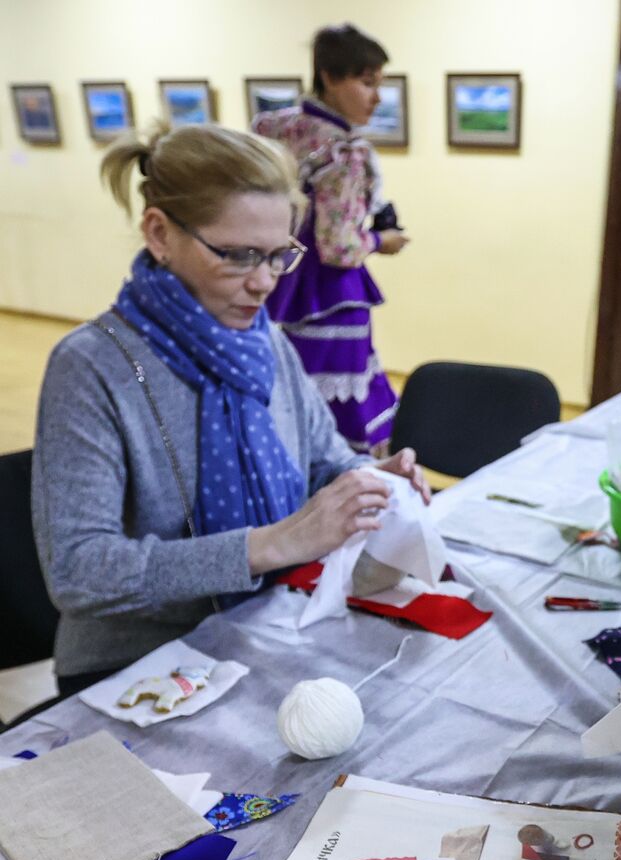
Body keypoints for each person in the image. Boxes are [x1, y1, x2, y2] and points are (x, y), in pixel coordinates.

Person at [31, 122, 429, 698]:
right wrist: (269, 545)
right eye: (239, 255)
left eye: (279, 255)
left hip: (258, 627)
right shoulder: (94, 367)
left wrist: (365, 481)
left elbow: (322, 460)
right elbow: (80, 572)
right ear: (160, 233)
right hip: (133, 672)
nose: (265, 282)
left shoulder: (265, 341)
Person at [253, 23, 408, 455]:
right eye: (366, 82)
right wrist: (382, 241)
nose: (376, 97)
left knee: (286, 400)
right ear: (328, 77)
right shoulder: (344, 152)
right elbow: (339, 247)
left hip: (276, 283)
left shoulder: (271, 129)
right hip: (329, 295)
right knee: (341, 418)